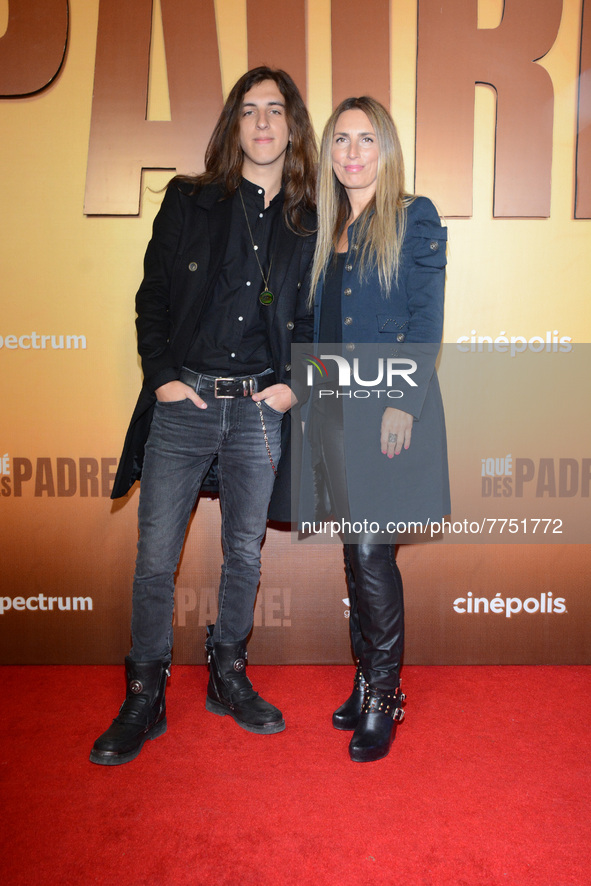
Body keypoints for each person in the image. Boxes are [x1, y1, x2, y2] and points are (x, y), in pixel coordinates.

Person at [90, 67, 317, 766]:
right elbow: (152, 297)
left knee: (243, 552)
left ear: (291, 126)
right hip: (184, 402)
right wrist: (160, 378)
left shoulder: (311, 219)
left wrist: (294, 386)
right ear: (233, 125)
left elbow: (317, 314)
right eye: (248, 111)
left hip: (257, 408)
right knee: (156, 558)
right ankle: (143, 692)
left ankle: (227, 674)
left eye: (274, 111)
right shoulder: (189, 200)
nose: (261, 123)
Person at [303, 96, 449, 762]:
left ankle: (384, 695)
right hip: (335, 407)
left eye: (365, 140)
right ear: (328, 152)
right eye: (340, 140)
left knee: (368, 550)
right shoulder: (324, 225)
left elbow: (424, 319)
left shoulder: (411, 215)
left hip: (390, 408)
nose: (352, 153)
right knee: (352, 552)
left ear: (384, 150)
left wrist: (402, 400)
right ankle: (365, 680)